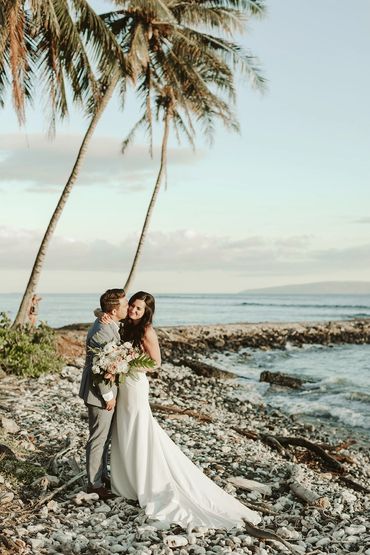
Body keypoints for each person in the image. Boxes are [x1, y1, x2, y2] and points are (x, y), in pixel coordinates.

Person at [101, 291, 261, 531]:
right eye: (132, 305)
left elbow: (156, 363)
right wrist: (103, 317)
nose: (134, 310)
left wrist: (128, 363)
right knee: (123, 429)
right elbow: (109, 322)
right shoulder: (125, 324)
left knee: (137, 428)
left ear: (147, 312)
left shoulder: (146, 331)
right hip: (122, 384)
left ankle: (145, 482)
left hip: (135, 384)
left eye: (139, 308)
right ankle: (127, 483)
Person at [79, 288, 128, 500]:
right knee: (98, 438)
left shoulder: (108, 324)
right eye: (125, 305)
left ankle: (102, 476)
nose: (127, 308)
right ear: (115, 310)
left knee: (105, 437)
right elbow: (100, 367)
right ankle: (94, 485)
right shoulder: (101, 331)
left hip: (104, 390)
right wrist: (108, 396)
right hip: (98, 393)